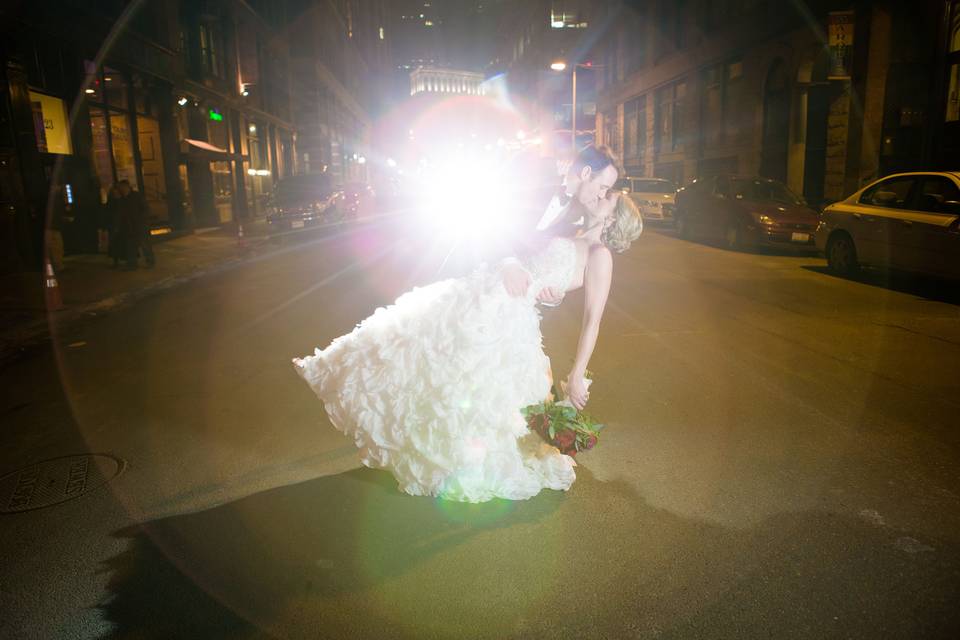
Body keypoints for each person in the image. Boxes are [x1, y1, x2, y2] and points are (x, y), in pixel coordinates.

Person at [293, 191, 643, 503]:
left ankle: (457, 459)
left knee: (480, 387)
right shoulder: (574, 231)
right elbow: (537, 267)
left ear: (612, 218)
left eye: (608, 197)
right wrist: (544, 291)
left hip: (510, 315)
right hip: (493, 292)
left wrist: (578, 374)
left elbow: (592, 320)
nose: (600, 195)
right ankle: (342, 373)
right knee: (428, 342)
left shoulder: (601, 255)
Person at [503, 145, 622, 307]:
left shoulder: (579, 218)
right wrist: (508, 263)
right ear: (586, 173)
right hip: (472, 272)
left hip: (512, 302)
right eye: (603, 187)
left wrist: (554, 297)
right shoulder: (534, 169)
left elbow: (546, 263)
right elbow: (489, 216)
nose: (602, 195)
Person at [116, 180, 155, 269]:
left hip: (140, 225)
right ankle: (132, 263)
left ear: (127, 187)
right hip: (129, 226)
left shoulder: (136, 196)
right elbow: (121, 213)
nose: (121, 189)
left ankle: (150, 261)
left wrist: (143, 220)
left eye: (122, 187)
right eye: (120, 188)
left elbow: (145, 209)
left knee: (144, 244)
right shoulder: (122, 199)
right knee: (131, 245)